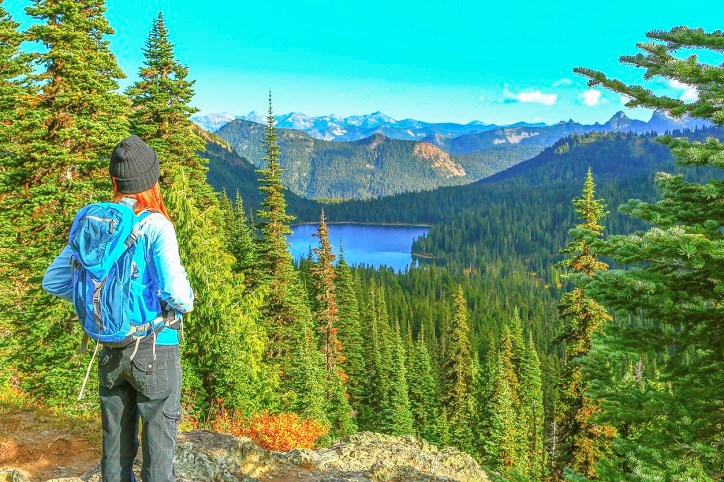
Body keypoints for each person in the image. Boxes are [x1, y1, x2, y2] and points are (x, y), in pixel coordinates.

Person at [42, 135, 194, 482]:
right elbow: (179, 296)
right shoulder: (156, 225)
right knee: (158, 453)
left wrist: (98, 303)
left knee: (115, 450)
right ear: (153, 181)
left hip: (109, 346)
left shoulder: (94, 224)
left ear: (115, 182)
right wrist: (186, 299)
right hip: (156, 347)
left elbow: (53, 281)